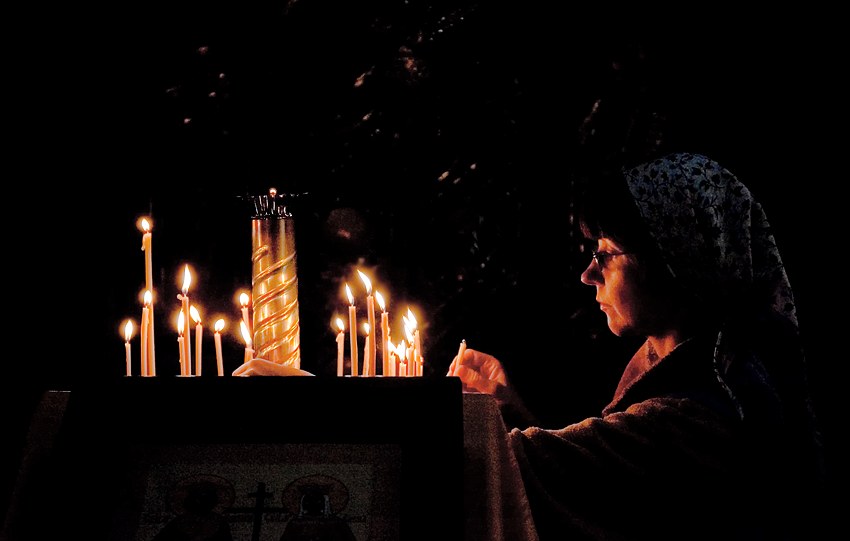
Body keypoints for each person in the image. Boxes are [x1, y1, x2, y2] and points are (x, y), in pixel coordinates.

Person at [447, 152, 825, 540]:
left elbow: (513, 471)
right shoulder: (717, 379)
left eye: (605, 254)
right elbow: (583, 474)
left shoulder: (696, 426)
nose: (588, 274)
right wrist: (505, 412)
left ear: (673, 258)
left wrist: (442, 416)